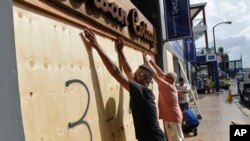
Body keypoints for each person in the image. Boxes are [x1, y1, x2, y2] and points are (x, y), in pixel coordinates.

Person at [83, 27, 166, 141]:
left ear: (146, 81)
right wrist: (121, 51)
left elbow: (117, 72)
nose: (135, 75)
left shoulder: (143, 92)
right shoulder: (141, 90)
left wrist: (96, 45)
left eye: (139, 74)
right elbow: (129, 72)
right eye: (137, 72)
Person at [143, 55, 184, 141]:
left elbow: (156, 76)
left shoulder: (168, 86)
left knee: (175, 139)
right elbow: (161, 73)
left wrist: (147, 63)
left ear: (172, 80)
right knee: (178, 138)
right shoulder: (169, 84)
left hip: (171, 119)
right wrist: (152, 63)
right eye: (166, 76)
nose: (165, 77)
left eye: (168, 77)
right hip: (174, 117)